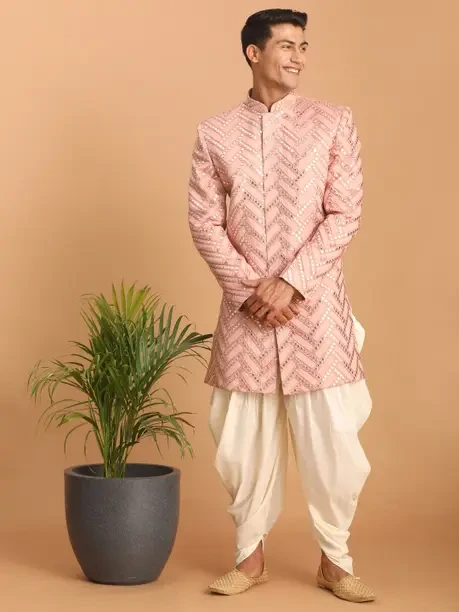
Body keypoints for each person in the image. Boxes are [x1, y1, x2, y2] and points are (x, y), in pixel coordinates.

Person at [187, 8, 376, 604]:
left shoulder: (332, 122)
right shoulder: (215, 133)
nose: (298, 56)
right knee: (241, 439)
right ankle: (249, 557)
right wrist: (252, 289)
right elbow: (203, 221)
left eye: (304, 46)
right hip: (246, 312)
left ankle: (336, 561)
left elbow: (344, 212)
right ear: (254, 52)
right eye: (287, 45)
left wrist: (290, 283)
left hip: (313, 310)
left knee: (334, 440)